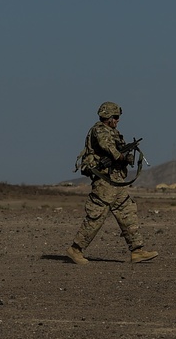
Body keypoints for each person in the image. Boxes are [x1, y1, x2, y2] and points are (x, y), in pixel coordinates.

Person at [67, 102, 158, 265]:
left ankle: (137, 250)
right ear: (107, 117)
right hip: (104, 182)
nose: (117, 120)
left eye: (118, 117)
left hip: (115, 181)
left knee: (127, 211)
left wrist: (127, 157)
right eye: (115, 117)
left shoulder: (112, 132)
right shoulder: (99, 130)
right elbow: (107, 146)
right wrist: (120, 156)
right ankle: (75, 249)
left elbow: (117, 150)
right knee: (97, 216)